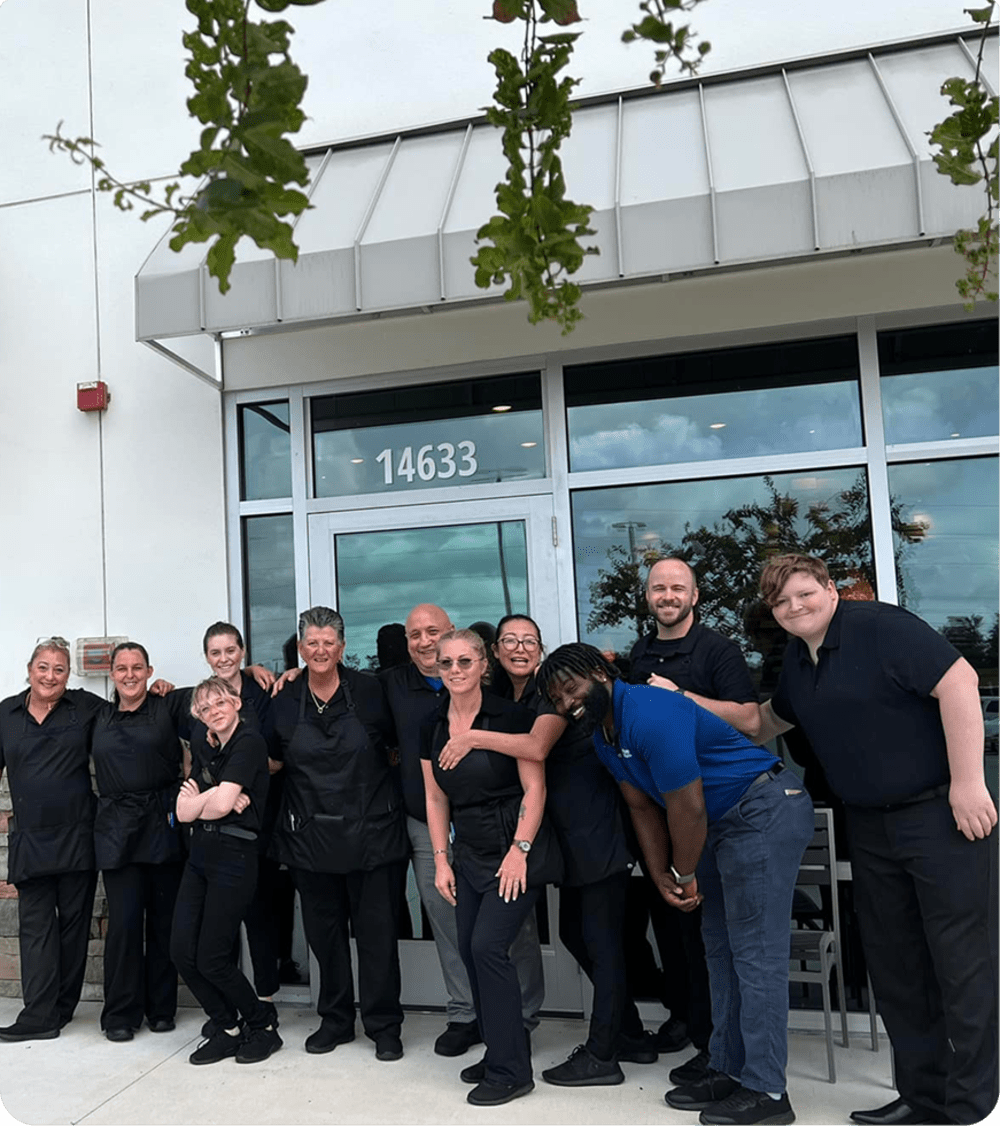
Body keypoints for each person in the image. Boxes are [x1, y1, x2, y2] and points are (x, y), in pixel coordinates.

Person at [756, 553, 998, 1126]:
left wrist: (967, 783)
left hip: (938, 817)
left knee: (961, 963)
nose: (794, 607)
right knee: (896, 966)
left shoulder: (879, 627)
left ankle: (966, 1108)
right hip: (869, 826)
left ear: (830, 588)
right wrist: (687, 705)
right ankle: (923, 1096)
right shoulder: (799, 659)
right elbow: (765, 720)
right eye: (781, 602)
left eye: (804, 594)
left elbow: (960, 681)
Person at [538, 643, 813, 1126]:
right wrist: (660, 872)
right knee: (720, 949)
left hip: (762, 809)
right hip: (720, 825)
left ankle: (768, 1093)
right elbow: (643, 806)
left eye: (571, 688)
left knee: (756, 955)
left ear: (602, 673)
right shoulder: (605, 734)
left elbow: (687, 807)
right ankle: (729, 1068)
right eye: (556, 700)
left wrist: (682, 874)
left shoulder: (649, 712)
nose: (566, 704)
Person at [438, 613, 649, 1086]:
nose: (519, 648)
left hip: (593, 829)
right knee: (576, 934)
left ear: (540, 648)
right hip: (562, 839)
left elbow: (534, 748)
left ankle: (603, 1054)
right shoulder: (503, 701)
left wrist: (469, 737)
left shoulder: (552, 690)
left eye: (529, 640)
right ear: (495, 652)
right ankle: (629, 1033)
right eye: (509, 640)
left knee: (600, 941)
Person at [379, 602, 544, 1057]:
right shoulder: (395, 688)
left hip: (504, 838)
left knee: (508, 935)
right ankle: (470, 1017)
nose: (428, 644)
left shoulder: (505, 707)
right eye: (416, 635)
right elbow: (434, 794)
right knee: (459, 933)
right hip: (441, 834)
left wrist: (521, 845)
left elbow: (533, 774)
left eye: (436, 633)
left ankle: (521, 1021)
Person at [626, 556, 762, 1080]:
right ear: (648, 597)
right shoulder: (640, 652)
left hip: (713, 806)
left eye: (677, 588)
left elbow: (750, 719)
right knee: (674, 925)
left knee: (711, 931)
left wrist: (681, 696)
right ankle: (686, 1018)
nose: (667, 595)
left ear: (695, 596)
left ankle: (716, 1042)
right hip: (661, 809)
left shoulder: (717, 650)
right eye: (658, 588)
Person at [421, 629, 563, 1107]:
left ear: (484, 664)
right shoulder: (433, 722)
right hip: (469, 855)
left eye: (465, 662)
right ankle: (500, 1048)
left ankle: (510, 1072)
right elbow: (435, 796)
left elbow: (535, 789)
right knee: (468, 947)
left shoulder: (512, 716)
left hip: (515, 851)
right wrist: (441, 860)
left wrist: (519, 849)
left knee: (487, 947)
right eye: (447, 663)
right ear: (437, 669)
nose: (456, 671)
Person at [269, 606, 409, 1061]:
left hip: (372, 833)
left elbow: (396, 747)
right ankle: (335, 1020)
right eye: (312, 643)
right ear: (301, 648)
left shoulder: (371, 691)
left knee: (377, 936)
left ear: (343, 648)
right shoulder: (284, 699)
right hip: (310, 835)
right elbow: (271, 759)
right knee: (324, 937)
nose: (320, 650)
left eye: (329, 642)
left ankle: (384, 1025)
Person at [170, 676, 280, 1065]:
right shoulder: (205, 742)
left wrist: (210, 799)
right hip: (200, 854)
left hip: (235, 855)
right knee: (182, 951)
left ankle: (261, 1024)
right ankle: (227, 1026)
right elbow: (182, 812)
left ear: (236, 702)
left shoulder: (249, 742)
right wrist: (213, 798)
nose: (213, 711)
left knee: (213, 956)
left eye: (220, 703)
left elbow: (215, 806)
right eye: (204, 709)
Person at [0, 638, 102, 1041]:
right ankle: (39, 1014)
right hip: (29, 839)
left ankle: (60, 1009)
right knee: (36, 928)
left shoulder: (86, 708)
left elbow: (133, 710)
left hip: (78, 835)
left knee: (74, 928)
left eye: (59, 669)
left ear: (68, 675)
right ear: (29, 669)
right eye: (43, 667)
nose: (50, 676)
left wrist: (165, 688)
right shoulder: (5, 714)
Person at [92, 642, 189, 1042]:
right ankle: (120, 1013)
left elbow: (220, 694)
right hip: (116, 829)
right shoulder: (95, 715)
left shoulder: (170, 705)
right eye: (122, 668)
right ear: (111, 674)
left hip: (162, 822)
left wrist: (253, 672)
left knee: (165, 923)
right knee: (125, 925)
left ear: (150, 671)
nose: (129, 675)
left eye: (137, 667)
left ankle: (161, 1009)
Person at [196, 622, 296, 1002]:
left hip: (258, 818)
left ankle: (266, 994)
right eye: (215, 652)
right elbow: (196, 758)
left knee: (260, 908)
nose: (223, 658)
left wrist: (238, 780)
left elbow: (276, 758)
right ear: (206, 657)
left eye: (230, 650)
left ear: (243, 651)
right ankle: (231, 994)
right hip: (214, 823)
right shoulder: (200, 699)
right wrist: (226, 785)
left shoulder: (264, 691)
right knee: (221, 915)